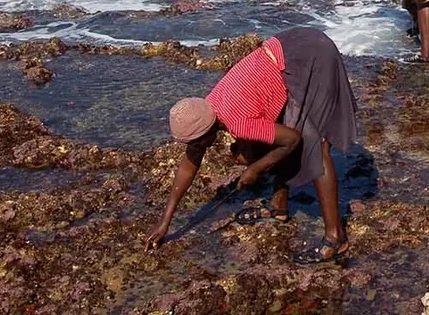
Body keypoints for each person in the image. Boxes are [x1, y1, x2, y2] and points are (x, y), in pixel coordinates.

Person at [144, 27, 357, 264]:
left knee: (315, 145)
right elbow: (189, 164)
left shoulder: (239, 122)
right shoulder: (209, 106)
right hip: (287, 50)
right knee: (274, 133)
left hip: (311, 53)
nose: (194, 148)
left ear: (206, 132)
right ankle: (278, 206)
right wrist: (165, 223)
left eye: (195, 143)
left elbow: (292, 139)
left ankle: (335, 238)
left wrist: (255, 169)